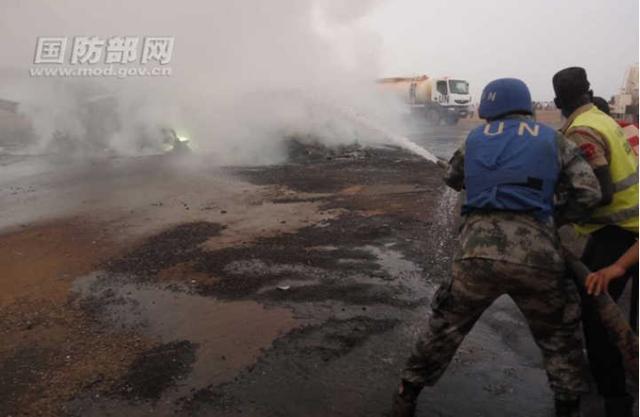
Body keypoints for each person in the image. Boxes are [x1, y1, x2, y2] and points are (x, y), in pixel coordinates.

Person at [390, 78, 602, 417]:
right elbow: (589, 193)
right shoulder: (553, 138)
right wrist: (552, 220)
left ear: (489, 108)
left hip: (476, 255)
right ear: (526, 105)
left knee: (444, 327)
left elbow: (452, 178)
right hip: (538, 257)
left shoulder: (475, 138)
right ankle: (567, 406)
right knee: (559, 337)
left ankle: (406, 395)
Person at [552, 67, 639, 417]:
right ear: (588, 91)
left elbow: (599, 193)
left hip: (619, 230)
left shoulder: (582, 129)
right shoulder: (602, 118)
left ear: (558, 101)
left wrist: (558, 214)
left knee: (596, 315)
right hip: (631, 225)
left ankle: (615, 397)